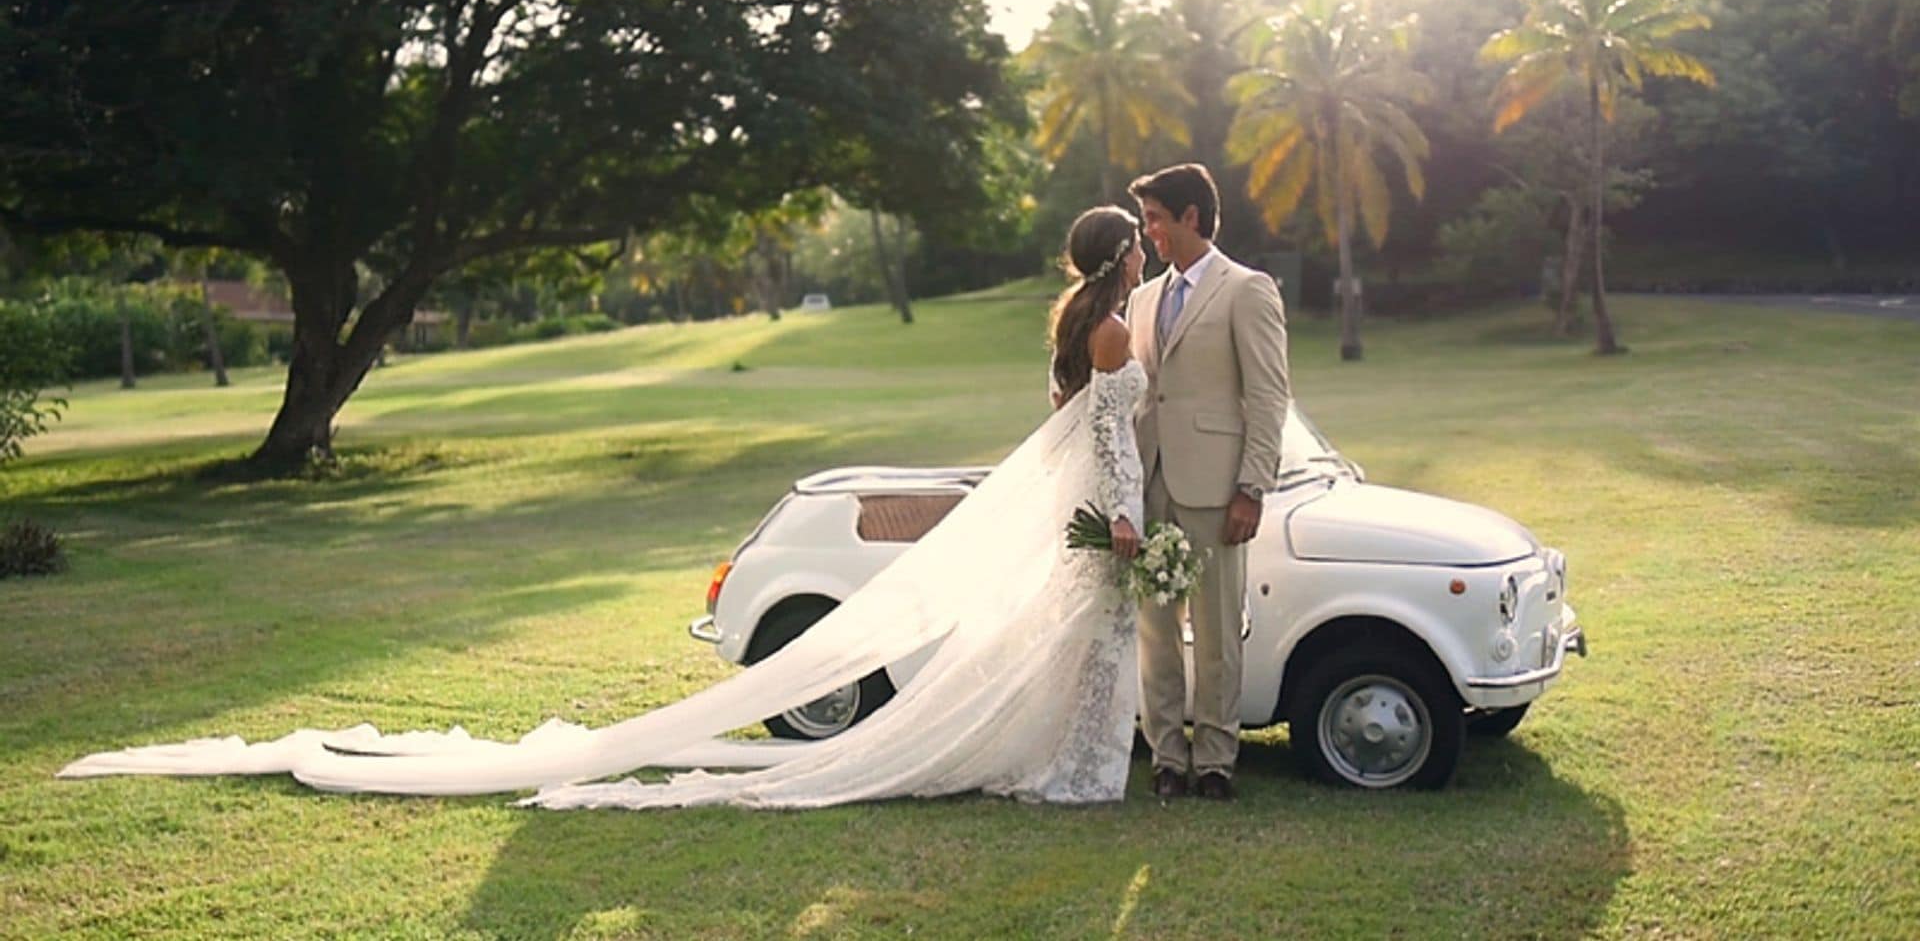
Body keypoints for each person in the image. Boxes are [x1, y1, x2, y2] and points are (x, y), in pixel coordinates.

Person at [62, 208, 1159, 810]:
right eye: (1144, 242)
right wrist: (1122, 520)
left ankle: (1072, 762)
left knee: (1078, 645)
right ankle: (1072, 771)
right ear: (1125, 256)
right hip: (1098, 515)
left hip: (1081, 512)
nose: (1153, 251)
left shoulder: (1079, 324)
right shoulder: (1110, 333)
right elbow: (1109, 437)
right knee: (1090, 642)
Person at [1124, 163, 1290, 803]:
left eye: (1158, 220)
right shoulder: (1142, 299)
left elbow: (1269, 396)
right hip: (1151, 484)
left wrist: (1252, 486)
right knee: (1154, 632)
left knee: (1219, 631)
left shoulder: (1246, 290)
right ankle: (1167, 756)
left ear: (1192, 217)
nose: (1152, 234)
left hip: (1217, 488)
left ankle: (1217, 759)